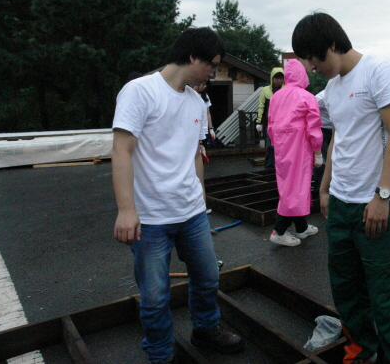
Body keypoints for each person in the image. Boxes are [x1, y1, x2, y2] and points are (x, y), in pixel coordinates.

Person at [292, 12, 390, 364]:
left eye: (314, 58)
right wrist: (325, 187)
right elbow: (339, 139)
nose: (312, 67)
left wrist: (382, 195)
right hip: (341, 202)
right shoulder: (332, 88)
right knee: (346, 288)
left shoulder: (379, 70)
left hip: (375, 203)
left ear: (333, 44)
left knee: (385, 293)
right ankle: (360, 349)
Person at [112, 27, 244, 364]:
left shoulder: (196, 101)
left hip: (191, 213)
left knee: (208, 278)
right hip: (151, 218)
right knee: (155, 296)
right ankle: (160, 353)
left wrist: (201, 197)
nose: (213, 72)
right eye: (212, 64)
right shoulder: (141, 91)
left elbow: (195, 154)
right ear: (191, 56)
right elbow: (122, 150)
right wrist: (126, 209)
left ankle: (206, 329)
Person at [267, 58, 324, 246]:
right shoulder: (307, 96)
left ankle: (301, 227)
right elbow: (314, 127)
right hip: (300, 147)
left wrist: (276, 144)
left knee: (289, 186)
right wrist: (317, 152)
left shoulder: (276, 96)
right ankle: (279, 230)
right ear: (302, 75)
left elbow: (270, 124)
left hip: (281, 147)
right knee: (297, 188)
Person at [193, 80, 215, 214]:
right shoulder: (190, 95)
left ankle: (201, 202)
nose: (203, 86)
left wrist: (211, 128)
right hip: (194, 132)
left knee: (200, 163)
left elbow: (207, 113)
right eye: (202, 83)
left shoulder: (204, 96)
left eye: (205, 84)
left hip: (202, 131)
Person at [256, 68, 285, 169]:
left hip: (284, 122)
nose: (278, 80)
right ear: (272, 78)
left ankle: (281, 166)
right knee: (270, 145)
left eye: (280, 78)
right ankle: (269, 166)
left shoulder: (286, 89)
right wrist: (259, 122)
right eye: (276, 78)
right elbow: (261, 106)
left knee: (282, 146)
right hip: (270, 123)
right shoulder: (265, 90)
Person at [312, 89, 333, 196]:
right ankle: (318, 189)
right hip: (323, 129)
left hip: (336, 129)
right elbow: (310, 105)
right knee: (323, 160)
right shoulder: (323, 96)